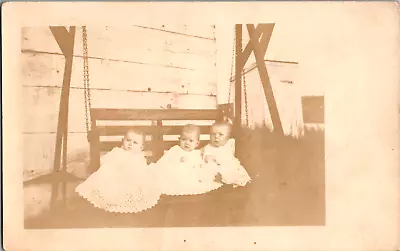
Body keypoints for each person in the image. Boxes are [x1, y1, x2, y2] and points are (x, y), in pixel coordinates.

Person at [75, 129, 161, 213]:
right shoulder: (117, 151)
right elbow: (105, 160)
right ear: (123, 140)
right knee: (106, 181)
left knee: (137, 185)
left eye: (135, 142)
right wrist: (100, 163)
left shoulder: (139, 157)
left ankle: (125, 202)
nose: (130, 144)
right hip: (115, 177)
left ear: (141, 147)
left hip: (130, 179)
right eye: (128, 140)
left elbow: (142, 169)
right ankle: (109, 201)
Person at [154, 124, 223, 196]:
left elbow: (202, 163)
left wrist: (208, 158)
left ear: (197, 143)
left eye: (191, 141)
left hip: (192, 178)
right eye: (184, 139)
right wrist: (177, 160)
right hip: (177, 177)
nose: (187, 142)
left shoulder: (197, 153)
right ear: (179, 139)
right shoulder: (176, 150)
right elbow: (165, 161)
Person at [201, 121, 251, 187]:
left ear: (227, 137)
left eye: (220, 134)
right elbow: (205, 156)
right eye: (213, 134)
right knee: (209, 169)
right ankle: (219, 180)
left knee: (234, 170)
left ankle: (231, 180)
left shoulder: (229, 143)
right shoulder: (208, 147)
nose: (216, 137)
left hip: (228, 166)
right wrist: (209, 158)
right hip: (215, 166)